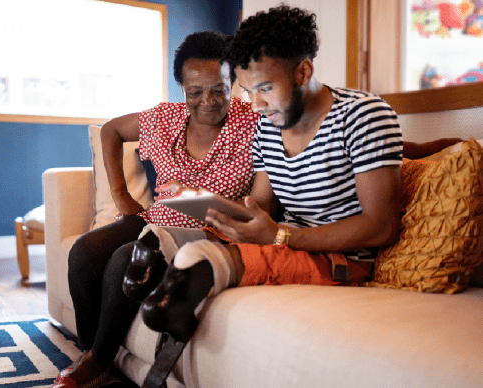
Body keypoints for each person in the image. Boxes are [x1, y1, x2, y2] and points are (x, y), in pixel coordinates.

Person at [137, 3, 406, 365]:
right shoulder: (268, 127)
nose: (256, 104)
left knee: (198, 263)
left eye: (265, 87)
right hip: (288, 240)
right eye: (247, 91)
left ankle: (180, 299)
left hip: (342, 260)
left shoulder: (364, 116)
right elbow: (261, 206)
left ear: (303, 71)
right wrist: (205, 202)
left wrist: (281, 237)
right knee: (162, 235)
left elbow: (381, 226)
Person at [53, 31, 259, 388]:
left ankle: (97, 363)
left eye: (219, 90)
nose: (207, 101)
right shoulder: (165, 119)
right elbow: (111, 130)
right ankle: (90, 352)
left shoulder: (253, 123)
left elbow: (266, 198)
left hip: (211, 231)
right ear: (181, 88)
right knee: (84, 253)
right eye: (195, 92)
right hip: (157, 218)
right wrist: (121, 196)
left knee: (125, 259)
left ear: (233, 83)